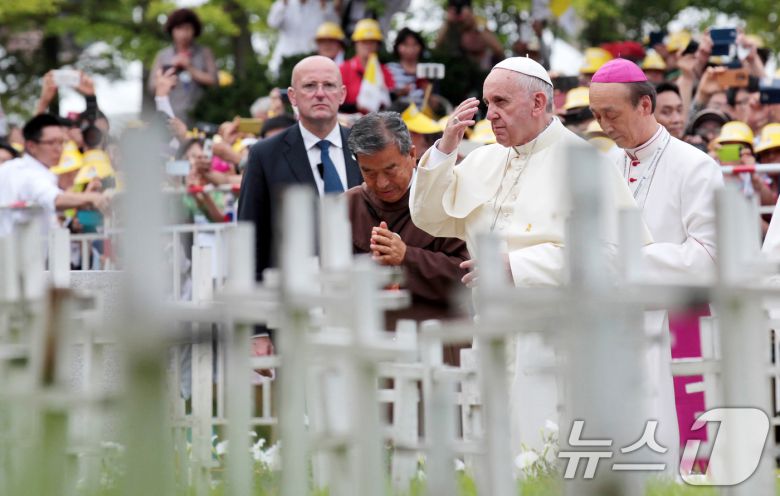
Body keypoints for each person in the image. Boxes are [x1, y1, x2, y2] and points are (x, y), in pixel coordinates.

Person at [409, 56, 647, 455]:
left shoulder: (587, 163)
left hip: (556, 332)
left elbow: (615, 256)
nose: (491, 115)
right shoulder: (484, 159)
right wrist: (444, 150)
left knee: (545, 445)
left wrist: (516, 266)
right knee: (496, 449)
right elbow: (429, 217)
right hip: (491, 327)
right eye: (487, 104)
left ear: (538, 103)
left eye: (501, 102)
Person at [589, 58, 724, 461]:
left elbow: (709, 257)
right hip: (617, 326)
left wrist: (625, 261)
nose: (604, 126)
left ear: (645, 105)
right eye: (597, 115)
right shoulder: (606, 167)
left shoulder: (695, 166)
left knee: (679, 447)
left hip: (676, 327)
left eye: (611, 114)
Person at [237, 55, 363, 348]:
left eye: (329, 85)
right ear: (292, 96)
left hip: (360, 303)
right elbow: (251, 241)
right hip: (295, 309)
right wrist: (257, 328)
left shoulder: (364, 146)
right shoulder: (264, 155)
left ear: (342, 94)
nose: (320, 93)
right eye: (310, 86)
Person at [345, 112, 470, 362]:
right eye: (368, 172)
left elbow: (468, 277)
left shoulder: (449, 198)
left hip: (436, 348)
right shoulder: (348, 206)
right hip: (370, 349)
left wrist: (407, 257)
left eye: (390, 169)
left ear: (412, 155)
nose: (381, 183)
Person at [0, 114, 109, 238]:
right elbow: (54, 199)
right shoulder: (30, 174)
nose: (59, 149)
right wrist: (92, 197)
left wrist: (84, 197)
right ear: (31, 146)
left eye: (62, 142)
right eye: (51, 142)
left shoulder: (12, 168)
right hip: (20, 254)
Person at [148, 8, 217, 122]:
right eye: (179, 28)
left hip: (200, 115)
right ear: (172, 30)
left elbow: (214, 81)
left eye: (187, 29)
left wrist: (190, 67)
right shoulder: (163, 55)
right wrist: (172, 68)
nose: (183, 34)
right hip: (170, 115)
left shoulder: (204, 52)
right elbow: (152, 86)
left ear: (194, 30)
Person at [267, 0, 340, 74]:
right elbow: (273, 23)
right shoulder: (284, 3)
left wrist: (324, 7)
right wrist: (283, 3)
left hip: (311, 58)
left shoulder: (321, 4)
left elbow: (334, 26)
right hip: (286, 57)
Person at [339, 18, 395, 113]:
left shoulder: (384, 71)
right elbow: (336, 102)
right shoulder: (343, 69)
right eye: (364, 41)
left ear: (378, 45)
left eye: (372, 42)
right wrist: (356, 107)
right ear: (355, 44)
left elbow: (388, 101)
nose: (368, 45)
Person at [387, 28, 428, 108]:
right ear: (397, 47)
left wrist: (428, 92)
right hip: (396, 117)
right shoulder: (389, 69)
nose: (410, 49)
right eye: (405, 44)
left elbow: (438, 104)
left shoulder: (428, 71)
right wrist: (398, 93)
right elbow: (382, 99)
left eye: (414, 44)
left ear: (421, 47)